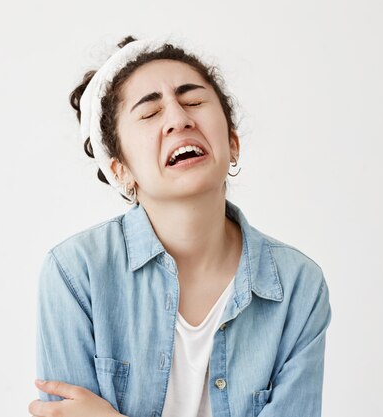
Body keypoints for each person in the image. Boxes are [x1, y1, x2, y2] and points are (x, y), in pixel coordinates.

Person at [28, 35, 332, 417]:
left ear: (232, 143)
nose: (179, 119)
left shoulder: (297, 286)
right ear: (119, 170)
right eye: (150, 113)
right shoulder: (76, 273)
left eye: (193, 101)